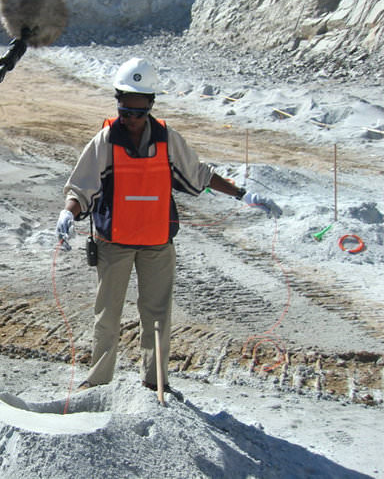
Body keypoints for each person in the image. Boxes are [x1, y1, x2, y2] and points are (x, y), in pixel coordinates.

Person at [56, 58, 281, 398]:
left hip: (157, 244)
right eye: (125, 110)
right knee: (107, 315)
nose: (131, 118)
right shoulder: (105, 140)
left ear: (150, 104)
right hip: (113, 243)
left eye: (138, 111)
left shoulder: (167, 139)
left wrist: (243, 194)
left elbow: (200, 175)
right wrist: (68, 213)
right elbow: (81, 187)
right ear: (118, 102)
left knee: (157, 315)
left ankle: (155, 381)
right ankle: (98, 381)